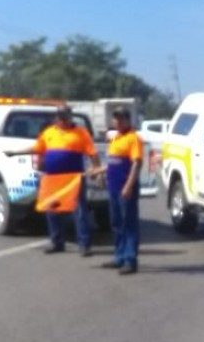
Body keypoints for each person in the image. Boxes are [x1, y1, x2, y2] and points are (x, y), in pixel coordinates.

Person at [8, 105, 101, 256]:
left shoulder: (81, 133)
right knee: (52, 211)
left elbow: (93, 153)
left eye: (65, 117)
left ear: (70, 117)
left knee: (79, 211)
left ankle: (84, 244)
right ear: (56, 118)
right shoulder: (49, 132)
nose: (62, 120)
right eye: (59, 117)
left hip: (73, 179)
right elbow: (37, 148)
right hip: (52, 179)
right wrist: (15, 153)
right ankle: (57, 242)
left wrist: (97, 171)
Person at [88, 109, 143, 274]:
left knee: (129, 224)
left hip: (125, 187)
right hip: (113, 187)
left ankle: (130, 259)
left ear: (128, 120)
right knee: (117, 223)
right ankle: (119, 256)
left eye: (121, 119)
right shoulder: (116, 138)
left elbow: (136, 164)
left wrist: (128, 186)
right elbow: (113, 163)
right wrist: (99, 171)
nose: (118, 122)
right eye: (116, 119)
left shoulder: (133, 138)